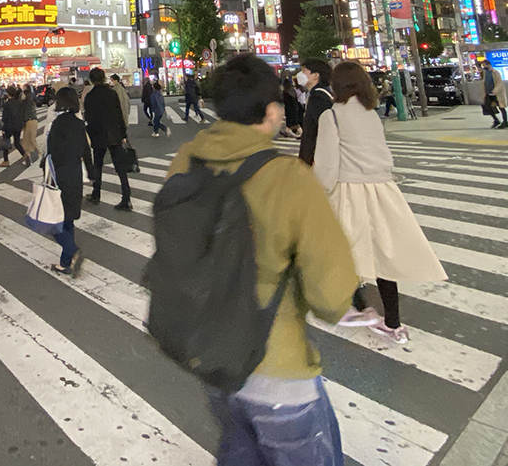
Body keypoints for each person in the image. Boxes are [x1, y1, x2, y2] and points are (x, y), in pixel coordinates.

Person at [165, 54, 359, 464]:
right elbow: (330, 295)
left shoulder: (185, 163)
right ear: (272, 112)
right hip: (278, 373)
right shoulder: (287, 178)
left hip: (213, 363)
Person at [314, 62, 447, 343]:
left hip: (349, 190)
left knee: (342, 250)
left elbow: (326, 166)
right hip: (382, 189)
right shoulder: (371, 113)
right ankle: (394, 323)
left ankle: (358, 308)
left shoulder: (332, 116)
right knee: (385, 254)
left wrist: (319, 191)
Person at [46, 86, 91, 276]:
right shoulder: (79, 123)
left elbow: (50, 153)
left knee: (53, 222)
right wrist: (92, 172)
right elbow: (86, 150)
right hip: (76, 174)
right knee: (69, 219)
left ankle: (72, 250)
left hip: (60, 176)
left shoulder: (57, 124)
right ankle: (65, 263)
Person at [83, 68, 132, 211]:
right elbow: (119, 114)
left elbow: (89, 119)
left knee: (98, 165)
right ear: (104, 78)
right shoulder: (112, 94)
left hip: (98, 135)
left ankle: (96, 193)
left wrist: (91, 136)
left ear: (92, 80)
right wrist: (123, 134)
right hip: (114, 134)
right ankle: (126, 198)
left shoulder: (90, 97)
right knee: (120, 168)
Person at [298, 59, 335, 166]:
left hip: (316, 159)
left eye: (304, 71)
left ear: (315, 75)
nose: (300, 74)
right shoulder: (324, 93)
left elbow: (324, 129)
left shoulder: (318, 97)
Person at [0, 86, 28, 167]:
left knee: (6, 142)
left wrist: (3, 128)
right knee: (17, 142)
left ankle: (6, 161)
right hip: (17, 125)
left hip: (9, 125)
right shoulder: (19, 103)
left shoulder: (7, 104)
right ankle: (25, 156)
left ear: (8, 94)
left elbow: (5, 117)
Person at [481, 60, 508, 129]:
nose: (484, 67)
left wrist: (495, 90)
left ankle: (505, 122)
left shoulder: (495, 72)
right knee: (487, 107)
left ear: (489, 65)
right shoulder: (485, 73)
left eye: (485, 65)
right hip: (488, 93)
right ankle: (496, 120)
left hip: (496, 94)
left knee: (501, 107)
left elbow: (499, 83)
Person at [17, 85, 40, 164]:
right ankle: (32, 155)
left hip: (28, 118)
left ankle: (35, 155)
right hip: (32, 118)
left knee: (28, 140)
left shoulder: (23, 95)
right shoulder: (32, 95)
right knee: (30, 138)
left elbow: (20, 105)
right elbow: (37, 102)